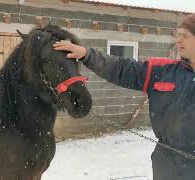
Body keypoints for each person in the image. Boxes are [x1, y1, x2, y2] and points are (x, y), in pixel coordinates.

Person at [53, 13, 195, 180]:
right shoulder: (163, 70)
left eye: (185, 36)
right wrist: (86, 54)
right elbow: (121, 68)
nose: (178, 40)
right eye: (177, 35)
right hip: (167, 163)